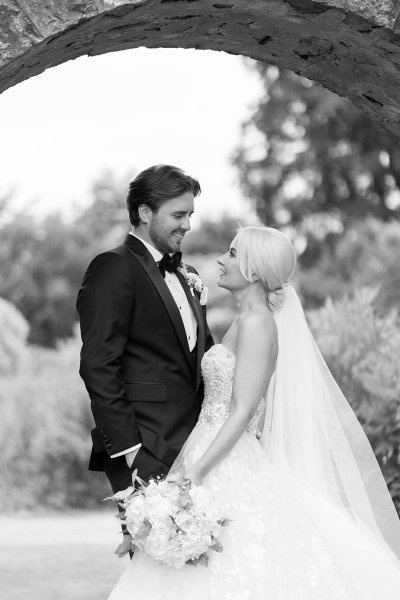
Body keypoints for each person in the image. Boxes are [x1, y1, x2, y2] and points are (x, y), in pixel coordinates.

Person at [108, 226, 400, 599]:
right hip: (207, 445)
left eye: (232, 253)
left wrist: (198, 471)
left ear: (255, 270)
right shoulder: (244, 321)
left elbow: (244, 411)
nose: (221, 259)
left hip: (224, 460)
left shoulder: (259, 325)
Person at [76, 164, 214, 502]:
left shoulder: (188, 273)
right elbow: (98, 364)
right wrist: (131, 452)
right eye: (179, 214)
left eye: (190, 214)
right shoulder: (113, 268)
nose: (188, 224)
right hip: (144, 450)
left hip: (198, 450)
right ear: (144, 212)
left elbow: (201, 360)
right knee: (156, 554)